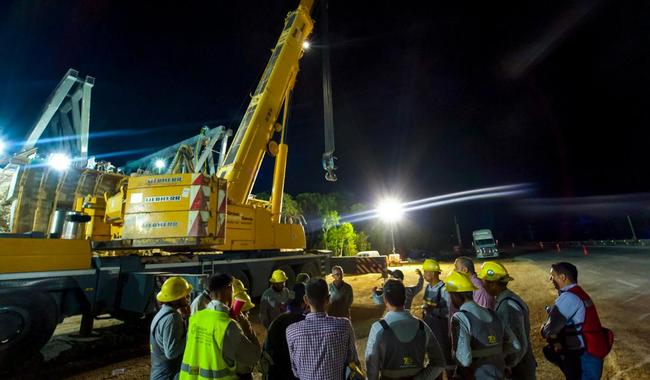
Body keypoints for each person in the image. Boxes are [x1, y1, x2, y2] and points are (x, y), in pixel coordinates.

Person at [180, 273, 261, 380]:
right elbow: (253, 357)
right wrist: (247, 329)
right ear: (229, 288)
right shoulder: (227, 325)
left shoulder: (196, 318)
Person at [365, 278, 446, 380]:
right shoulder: (422, 327)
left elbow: (372, 365)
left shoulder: (378, 328)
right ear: (405, 298)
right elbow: (439, 363)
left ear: (385, 299)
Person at [541, 262, 610, 380]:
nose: (550, 278)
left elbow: (548, 331)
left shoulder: (569, 297)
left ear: (563, 277)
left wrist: (544, 327)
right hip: (591, 354)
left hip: (584, 358)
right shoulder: (579, 293)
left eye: (553, 275)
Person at [445, 271, 520, 379]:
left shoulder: (460, 318)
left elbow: (464, 361)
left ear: (455, 295)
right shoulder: (494, 314)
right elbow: (516, 346)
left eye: (450, 295)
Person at [286, 278, 359, 380]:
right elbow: (353, 360)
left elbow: (295, 370)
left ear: (306, 299)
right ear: (328, 299)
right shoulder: (344, 326)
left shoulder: (292, 331)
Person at [479, 261, 536, 379]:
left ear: (493, 284)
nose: (482, 285)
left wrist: (508, 365)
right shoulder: (509, 299)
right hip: (521, 364)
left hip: (518, 368)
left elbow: (517, 341)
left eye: (484, 281)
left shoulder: (507, 306)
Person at [261, 283, 308, 380]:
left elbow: (266, 353)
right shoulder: (307, 324)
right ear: (305, 302)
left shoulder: (276, 322)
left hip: (276, 375)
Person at [150, 276, 192, 380]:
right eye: (184, 295)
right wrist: (190, 335)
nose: (188, 297)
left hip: (160, 374)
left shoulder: (161, 314)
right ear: (174, 300)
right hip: (168, 376)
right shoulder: (172, 318)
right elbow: (171, 353)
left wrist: (186, 319)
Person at [421, 259, 453, 379]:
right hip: (429, 327)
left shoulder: (444, 290)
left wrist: (432, 310)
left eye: (426, 272)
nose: (424, 275)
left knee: (444, 355)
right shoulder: (428, 288)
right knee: (433, 358)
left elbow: (448, 312)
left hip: (441, 330)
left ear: (434, 273)